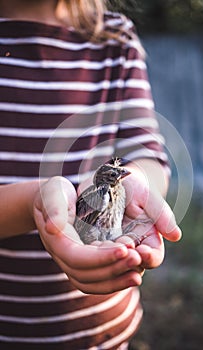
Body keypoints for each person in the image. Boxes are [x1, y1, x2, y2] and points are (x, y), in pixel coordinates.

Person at [0, 0, 181, 349]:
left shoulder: (114, 38)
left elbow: (147, 153)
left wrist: (133, 182)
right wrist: (34, 206)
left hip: (103, 336)